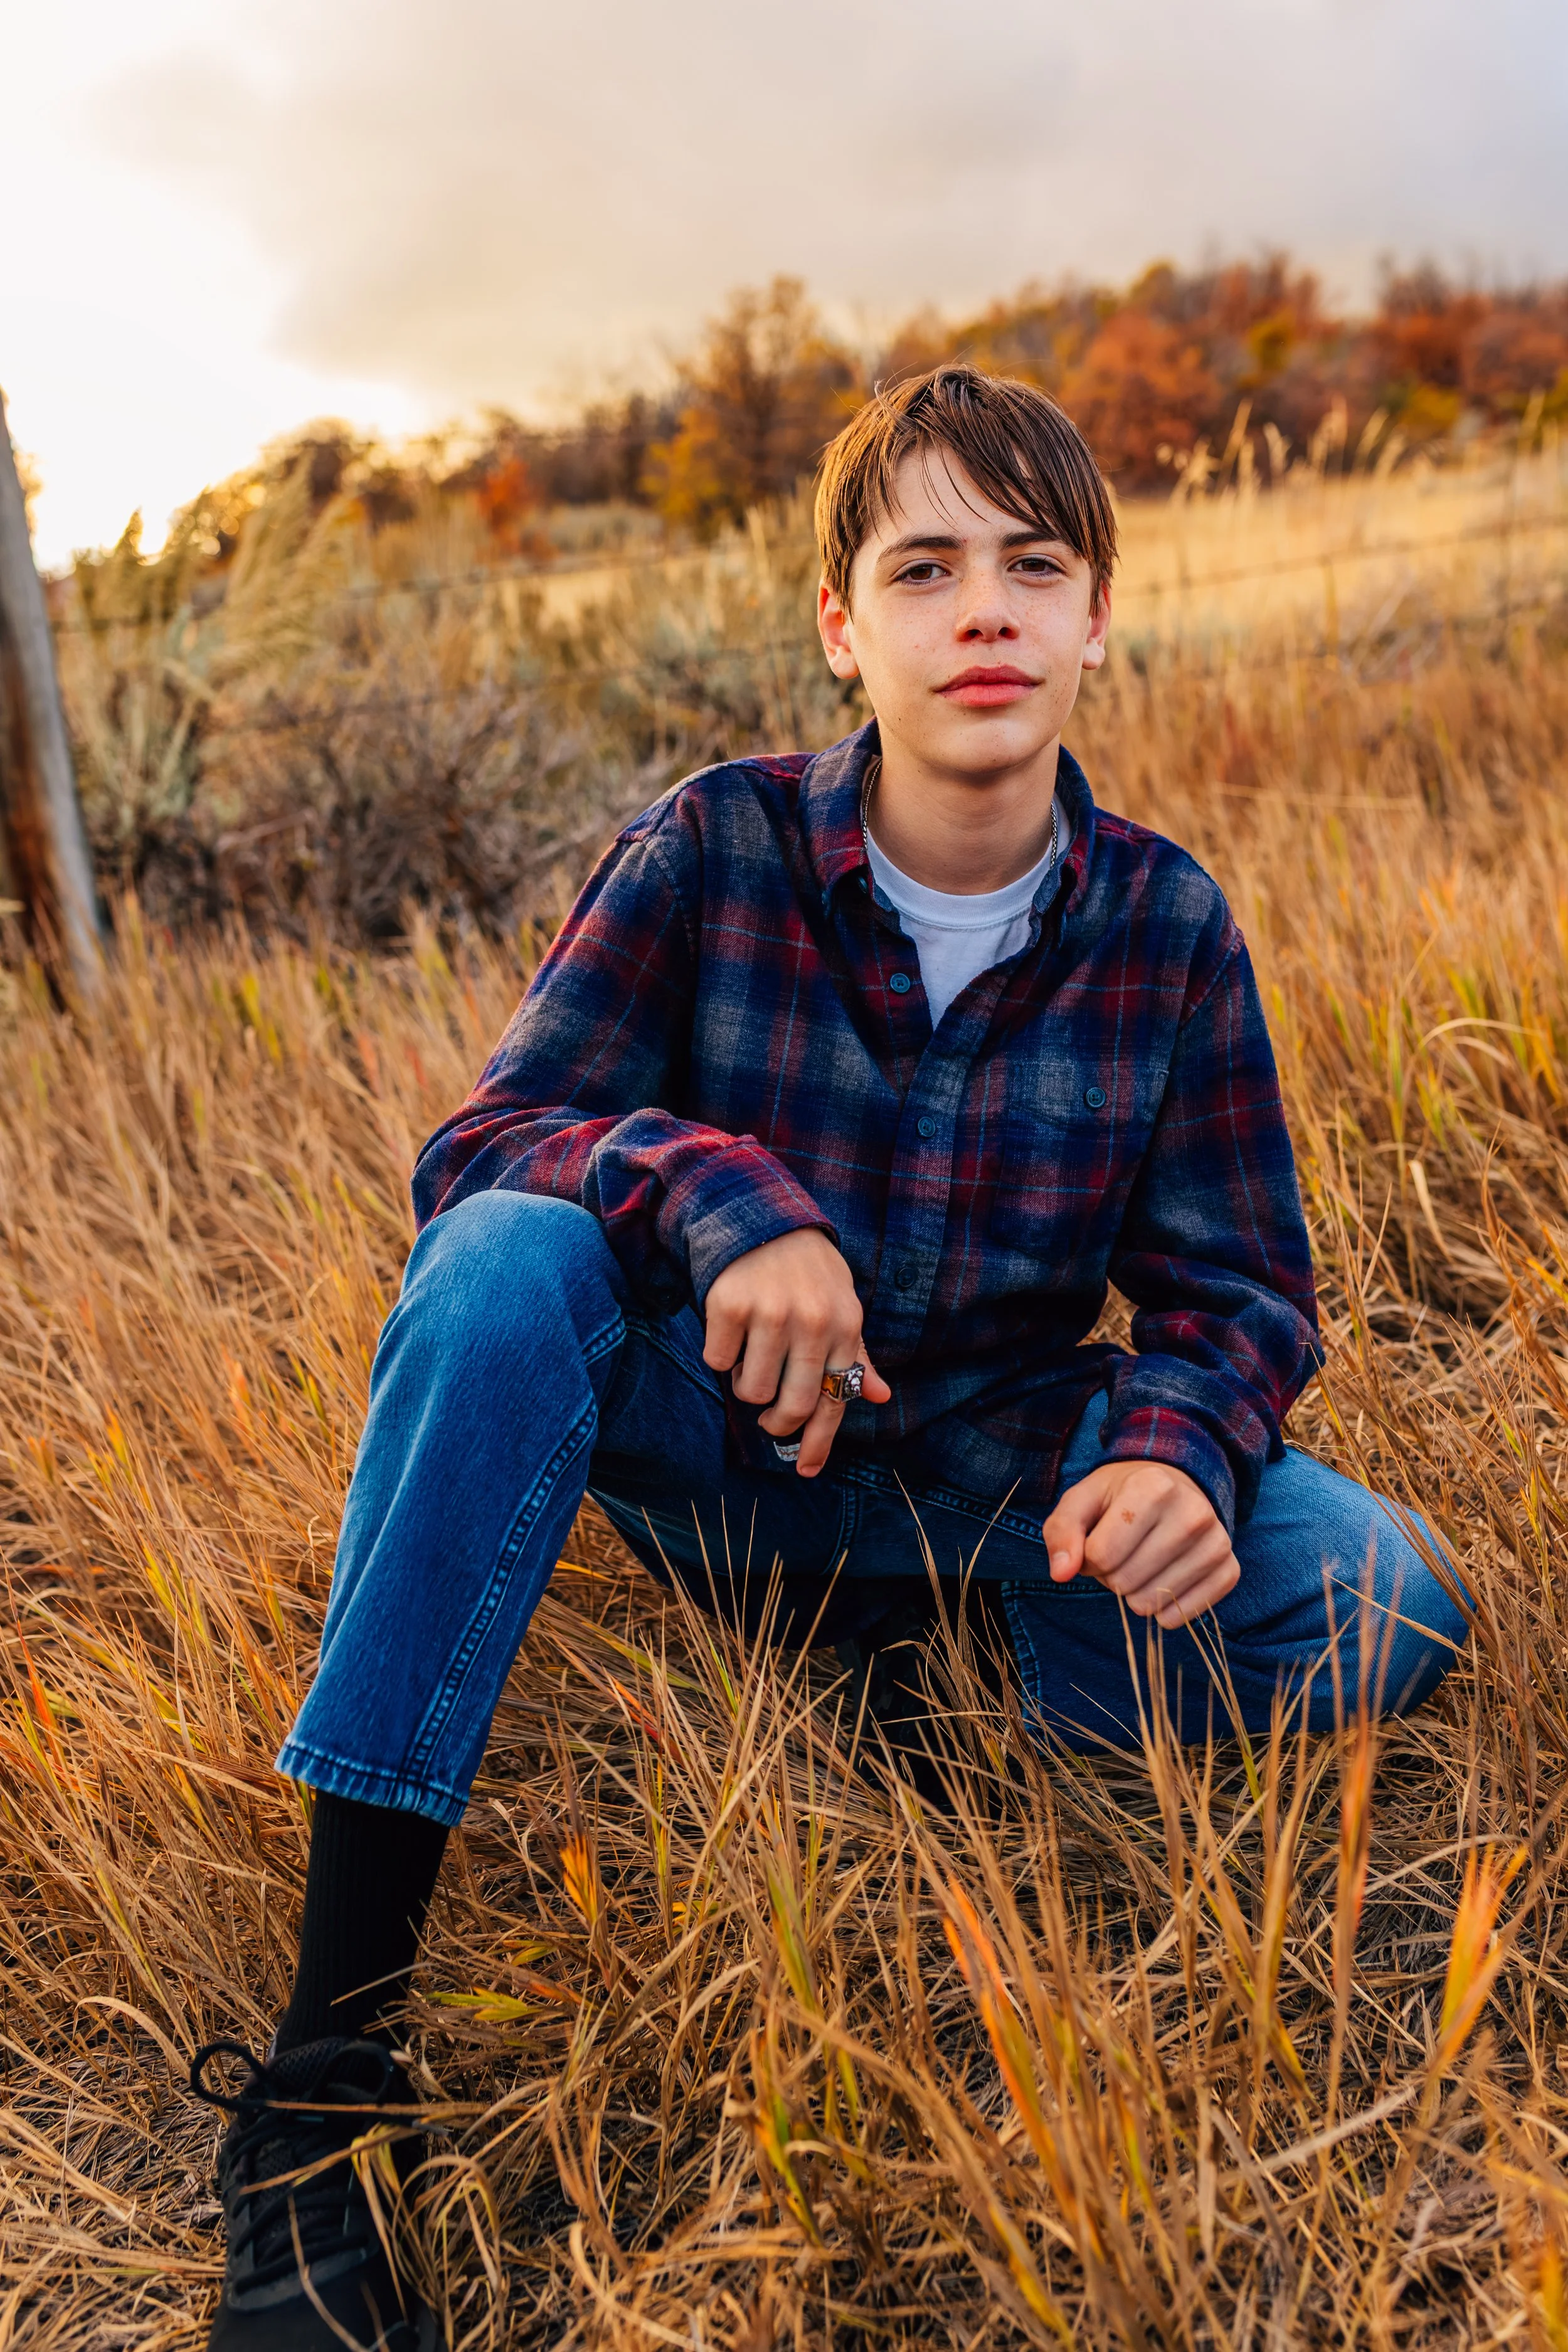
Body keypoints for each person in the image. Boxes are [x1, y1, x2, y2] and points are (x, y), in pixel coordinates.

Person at [193, 366, 1469, 2348]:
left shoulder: (1164, 925)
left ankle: (911, 1666)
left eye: (1034, 568)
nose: (984, 611)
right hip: (722, 1452)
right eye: (926, 564)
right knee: (502, 1267)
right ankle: (325, 2075)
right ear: (839, 624)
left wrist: (1175, 1448)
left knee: (1393, 1597)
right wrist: (726, 1200)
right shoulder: (711, 851)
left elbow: (1237, 1287)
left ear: (1094, 618)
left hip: (993, 1475)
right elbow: (484, 1151)